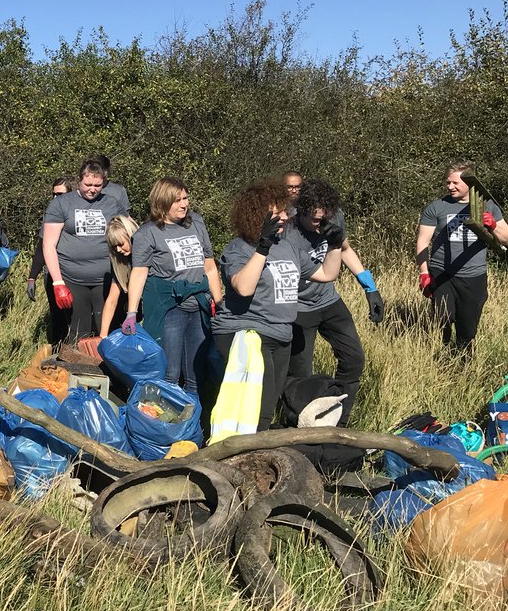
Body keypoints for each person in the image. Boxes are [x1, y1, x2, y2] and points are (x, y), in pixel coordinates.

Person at [211, 178, 342, 431]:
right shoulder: (238, 249)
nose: (285, 216)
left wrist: (335, 246)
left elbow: (327, 274)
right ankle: (244, 456)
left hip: (282, 332)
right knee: (257, 404)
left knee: (269, 404)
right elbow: (244, 287)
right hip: (248, 331)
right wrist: (263, 247)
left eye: (284, 211)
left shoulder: (287, 246)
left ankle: (259, 454)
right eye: (278, 212)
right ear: (258, 215)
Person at [285, 179, 381, 424]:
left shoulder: (333, 217)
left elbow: (345, 249)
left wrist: (369, 287)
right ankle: (299, 425)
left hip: (328, 301)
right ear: (302, 210)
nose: (322, 225)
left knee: (353, 359)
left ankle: (340, 419)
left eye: (325, 218)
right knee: (300, 374)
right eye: (316, 220)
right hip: (299, 308)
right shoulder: (290, 232)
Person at [121, 179, 223, 400]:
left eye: (185, 198)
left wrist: (219, 302)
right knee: (170, 372)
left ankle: (191, 425)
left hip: (199, 306)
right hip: (169, 309)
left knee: (196, 374)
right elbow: (139, 273)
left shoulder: (196, 222)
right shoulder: (148, 233)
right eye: (177, 200)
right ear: (162, 202)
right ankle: (164, 424)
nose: (184, 204)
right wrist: (131, 312)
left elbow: (209, 265)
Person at [416, 162, 508, 353]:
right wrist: (424, 273)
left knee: (467, 326)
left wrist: (492, 225)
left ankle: (463, 360)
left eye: (455, 183)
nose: (450, 187)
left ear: (470, 182)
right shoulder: (437, 207)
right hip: (442, 273)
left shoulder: (488, 205)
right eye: (448, 182)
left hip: (473, 275)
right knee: (443, 318)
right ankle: (442, 354)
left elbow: (506, 239)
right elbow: (422, 242)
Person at [41, 158, 131, 340]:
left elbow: (128, 232)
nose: (92, 189)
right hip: (72, 278)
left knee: (106, 328)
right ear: (79, 181)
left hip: (105, 278)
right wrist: (57, 282)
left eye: (98, 185)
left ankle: (105, 366)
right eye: (88, 184)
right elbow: (48, 244)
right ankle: (74, 366)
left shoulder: (112, 204)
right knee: (78, 329)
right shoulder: (61, 204)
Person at [27, 177, 74, 343]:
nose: (55, 198)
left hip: (76, 272)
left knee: (76, 316)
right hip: (53, 274)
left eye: (60, 194)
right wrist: (32, 277)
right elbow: (42, 245)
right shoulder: (52, 213)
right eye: (53, 194)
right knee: (57, 316)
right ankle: (57, 351)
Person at [99, 215, 140, 335]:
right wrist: (103, 335)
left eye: (121, 244)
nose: (118, 250)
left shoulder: (151, 256)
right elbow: (112, 300)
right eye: (114, 246)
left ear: (130, 235)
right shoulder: (121, 262)